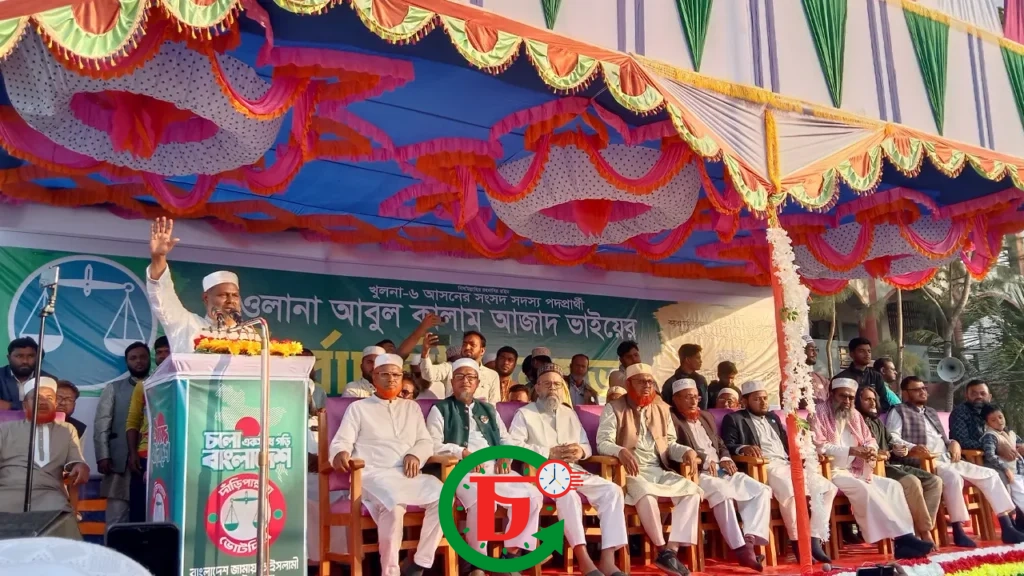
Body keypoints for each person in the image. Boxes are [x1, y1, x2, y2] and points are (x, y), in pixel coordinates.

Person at [328, 354, 443, 576]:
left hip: (408, 475)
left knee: (444, 497)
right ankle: (390, 572)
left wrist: (415, 454)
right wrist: (341, 453)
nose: (391, 379)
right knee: (394, 504)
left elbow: (425, 441)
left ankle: (419, 564)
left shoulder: (411, 408)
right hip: (372, 475)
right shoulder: (359, 408)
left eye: (396, 375)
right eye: (385, 374)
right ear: (374, 377)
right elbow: (342, 441)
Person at [508, 364, 627, 576]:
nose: (552, 388)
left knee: (613, 491)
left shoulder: (569, 413)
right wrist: (547, 453)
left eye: (557, 384)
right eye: (547, 384)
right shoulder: (525, 413)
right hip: (542, 472)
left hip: (573, 469)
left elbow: (586, 446)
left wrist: (579, 451)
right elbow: (513, 446)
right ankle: (584, 559)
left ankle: (608, 559)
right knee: (568, 494)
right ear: (537, 387)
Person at [426, 359, 543, 573]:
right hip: (461, 469)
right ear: (452, 381)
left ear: (478, 383)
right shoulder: (440, 409)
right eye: (460, 377)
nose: (465, 381)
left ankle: (510, 556)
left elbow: (506, 439)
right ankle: (477, 564)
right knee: (483, 499)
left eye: (471, 377)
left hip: (495, 468)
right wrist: (461, 453)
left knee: (531, 495)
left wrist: (505, 455)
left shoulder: (489, 409)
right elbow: (432, 444)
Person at [887, 376, 1024, 545]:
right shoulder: (899, 411)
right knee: (953, 477)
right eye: (917, 389)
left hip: (949, 458)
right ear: (905, 393)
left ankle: (1007, 526)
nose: (922, 392)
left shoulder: (931, 411)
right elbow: (893, 438)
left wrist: (954, 443)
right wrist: (914, 447)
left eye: (924, 388)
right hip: (925, 461)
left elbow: (943, 438)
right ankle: (958, 530)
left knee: (990, 474)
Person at [596, 364, 701, 575]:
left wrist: (686, 451)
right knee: (646, 494)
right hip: (630, 471)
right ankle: (661, 548)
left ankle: (671, 551)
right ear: (629, 384)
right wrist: (620, 451)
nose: (647, 385)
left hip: (658, 469)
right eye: (641, 381)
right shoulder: (614, 408)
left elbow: (670, 444)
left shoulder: (661, 408)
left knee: (693, 492)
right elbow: (602, 442)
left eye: (650, 382)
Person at [811, 378, 932, 559]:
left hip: (856, 469)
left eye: (851, 397)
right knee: (865, 490)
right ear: (832, 394)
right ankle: (903, 538)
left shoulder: (854, 414)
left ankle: (905, 538)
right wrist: (851, 450)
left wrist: (870, 450)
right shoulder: (818, 413)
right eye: (843, 396)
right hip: (830, 471)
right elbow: (820, 446)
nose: (847, 401)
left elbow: (870, 440)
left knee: (893, 486)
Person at [720, 380, 834, 563]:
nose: (763, 402)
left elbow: (788, 445)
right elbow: (727, 444)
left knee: (828, 488)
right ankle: (797, 543)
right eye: (757, 399)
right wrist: (743, 448)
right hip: (765, 466)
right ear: (745, 401)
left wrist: (805, 455)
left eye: (765, 398)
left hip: (787, 463)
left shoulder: (773, 418)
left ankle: (814, 539)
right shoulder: (735, 419)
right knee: (790, 490)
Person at [669, 378, 770, 571]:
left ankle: (749, 540)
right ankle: (740, 549)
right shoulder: (671, 419)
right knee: (723, 493)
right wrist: (703, 459)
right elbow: (672, 448)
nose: (693, 401)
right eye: (688, 397)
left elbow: (720, 443)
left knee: (761, 490)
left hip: (722, 470)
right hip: (697, 472)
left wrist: (725, 458)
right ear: (676, 399)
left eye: (696, 397)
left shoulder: (705, 416)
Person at [856, 386, 943, 544]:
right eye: (867, 399)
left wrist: (899, 448)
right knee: (912, 481)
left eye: (874, 399)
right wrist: (880, 453)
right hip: (875, 469)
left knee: (934, 481)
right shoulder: (856, 422)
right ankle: (925, 533)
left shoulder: (876, 421)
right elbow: (860, 449)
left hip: (892, 465)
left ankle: (920, 529)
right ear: (858, 401)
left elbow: (891, 442)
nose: (872, 403)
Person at [145, 217, 243, 352]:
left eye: (235, 295)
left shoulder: (251, 335)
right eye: (223, 295)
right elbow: (163, 296)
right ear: (206, 298)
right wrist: (158, 257)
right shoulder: (187, 325)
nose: (231, 300)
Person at [0, 377, 89, 523]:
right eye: (36, 398)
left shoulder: (67, 430)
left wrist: (80, 465)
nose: (42, 402)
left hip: (49, 493)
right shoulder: (5, 429)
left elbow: (75, 459)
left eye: (49, 398)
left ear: (55, 404)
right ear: (24, 405)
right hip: (7, 490)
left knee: (63, 523)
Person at [94, 342, 150, 526]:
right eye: (133, 358)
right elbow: (102, 424)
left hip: (151, 461)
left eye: (142, 357)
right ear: (127, 362)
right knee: (116, 518)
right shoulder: (114, 388)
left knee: (148, 514)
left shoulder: (159, 385)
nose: (138, 361)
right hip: (119, 462)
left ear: (149, 359)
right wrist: (103, 456)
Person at [127, 337, 170, 523]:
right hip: (145, 454)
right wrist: (133, 454)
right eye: (159, 352)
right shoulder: (143, 385)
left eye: (167, 351)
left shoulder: (183, 383)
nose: (162, 356)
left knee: (166, 509)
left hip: (170, 456)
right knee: (139, 511)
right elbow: (132, 421)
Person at [420, 330, 500, 404]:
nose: (467, 347)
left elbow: (494, 404)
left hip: (480, 414)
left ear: (482, 351)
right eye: (464, 344)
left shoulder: (492, 375)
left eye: (472, 345)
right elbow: (428, 374)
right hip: (453, 413)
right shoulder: (450, 367)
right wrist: (425, 351)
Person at [833, 338, 898, 413]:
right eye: (862, 351)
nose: (867, 354)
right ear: (852, 354)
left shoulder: (876, 376)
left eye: (869, 351)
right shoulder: (842, 378)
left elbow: (884, 402)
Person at [980, 404, 1024, 514]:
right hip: (1011, 474)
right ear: (987, 423)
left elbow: (1019, 444)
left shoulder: (1010, 433)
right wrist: (1005, 468)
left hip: (1020, 472)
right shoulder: (990, 436)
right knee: (1021, 498)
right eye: (993, 420)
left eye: (1000, 417)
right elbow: (990, 455)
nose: (999, 421)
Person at [0, 337, 53, 410]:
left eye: (31, 356)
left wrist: (10, 405)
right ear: (9, 358)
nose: (25, 361)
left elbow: (49, 407)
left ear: (38, 358)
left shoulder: (48, 380)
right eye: (19, 356)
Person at [949, 379, 992, 451]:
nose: (979, 396)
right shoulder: (960, 412)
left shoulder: (993, 411)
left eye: (983, 393)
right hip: (971, 455)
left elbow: (1003, 430)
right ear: (966, 396)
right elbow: (962, 442)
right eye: (974, 394)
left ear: (990, 397)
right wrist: (993, 446)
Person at [662, 344, 707, 409]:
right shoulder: (671, 383)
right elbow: (666, 408)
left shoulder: (701, 380)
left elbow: (704, 407)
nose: (701, 361)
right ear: (687, 360)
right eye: (697, 358)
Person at [802, 336, 829, 403]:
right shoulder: (792, 378)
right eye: (811, 349)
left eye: (816, 349)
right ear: (801, 351)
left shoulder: (821, 379)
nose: (815, 353)